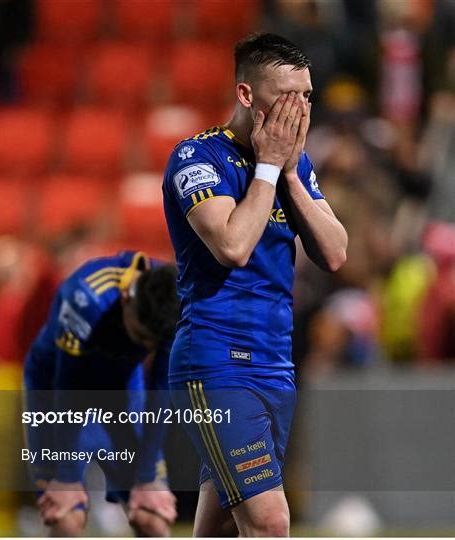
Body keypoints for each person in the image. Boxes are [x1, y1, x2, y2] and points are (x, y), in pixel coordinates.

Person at [162, 33, 348, 537]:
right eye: (288, 96)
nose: (301, 110)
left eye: (307, 96)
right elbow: (233, 246)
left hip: (275, 362)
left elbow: (334, 252)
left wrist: (288, 174)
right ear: (247, 95)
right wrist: (268, 166)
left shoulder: (295, 168)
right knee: (269, 521)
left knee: (220, 525)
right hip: (217, 358)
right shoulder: (197, 158)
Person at [23, 250, 179, 537]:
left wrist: (146, 479)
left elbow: (161, 389)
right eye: (141, 337)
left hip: (120, 389)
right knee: (65, 517)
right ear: (126, 300)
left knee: (151, 516)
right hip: (55, 388)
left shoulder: (175, 300)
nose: (146, 347)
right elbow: (69, 385)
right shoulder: (86, 296)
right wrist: (67, 477)